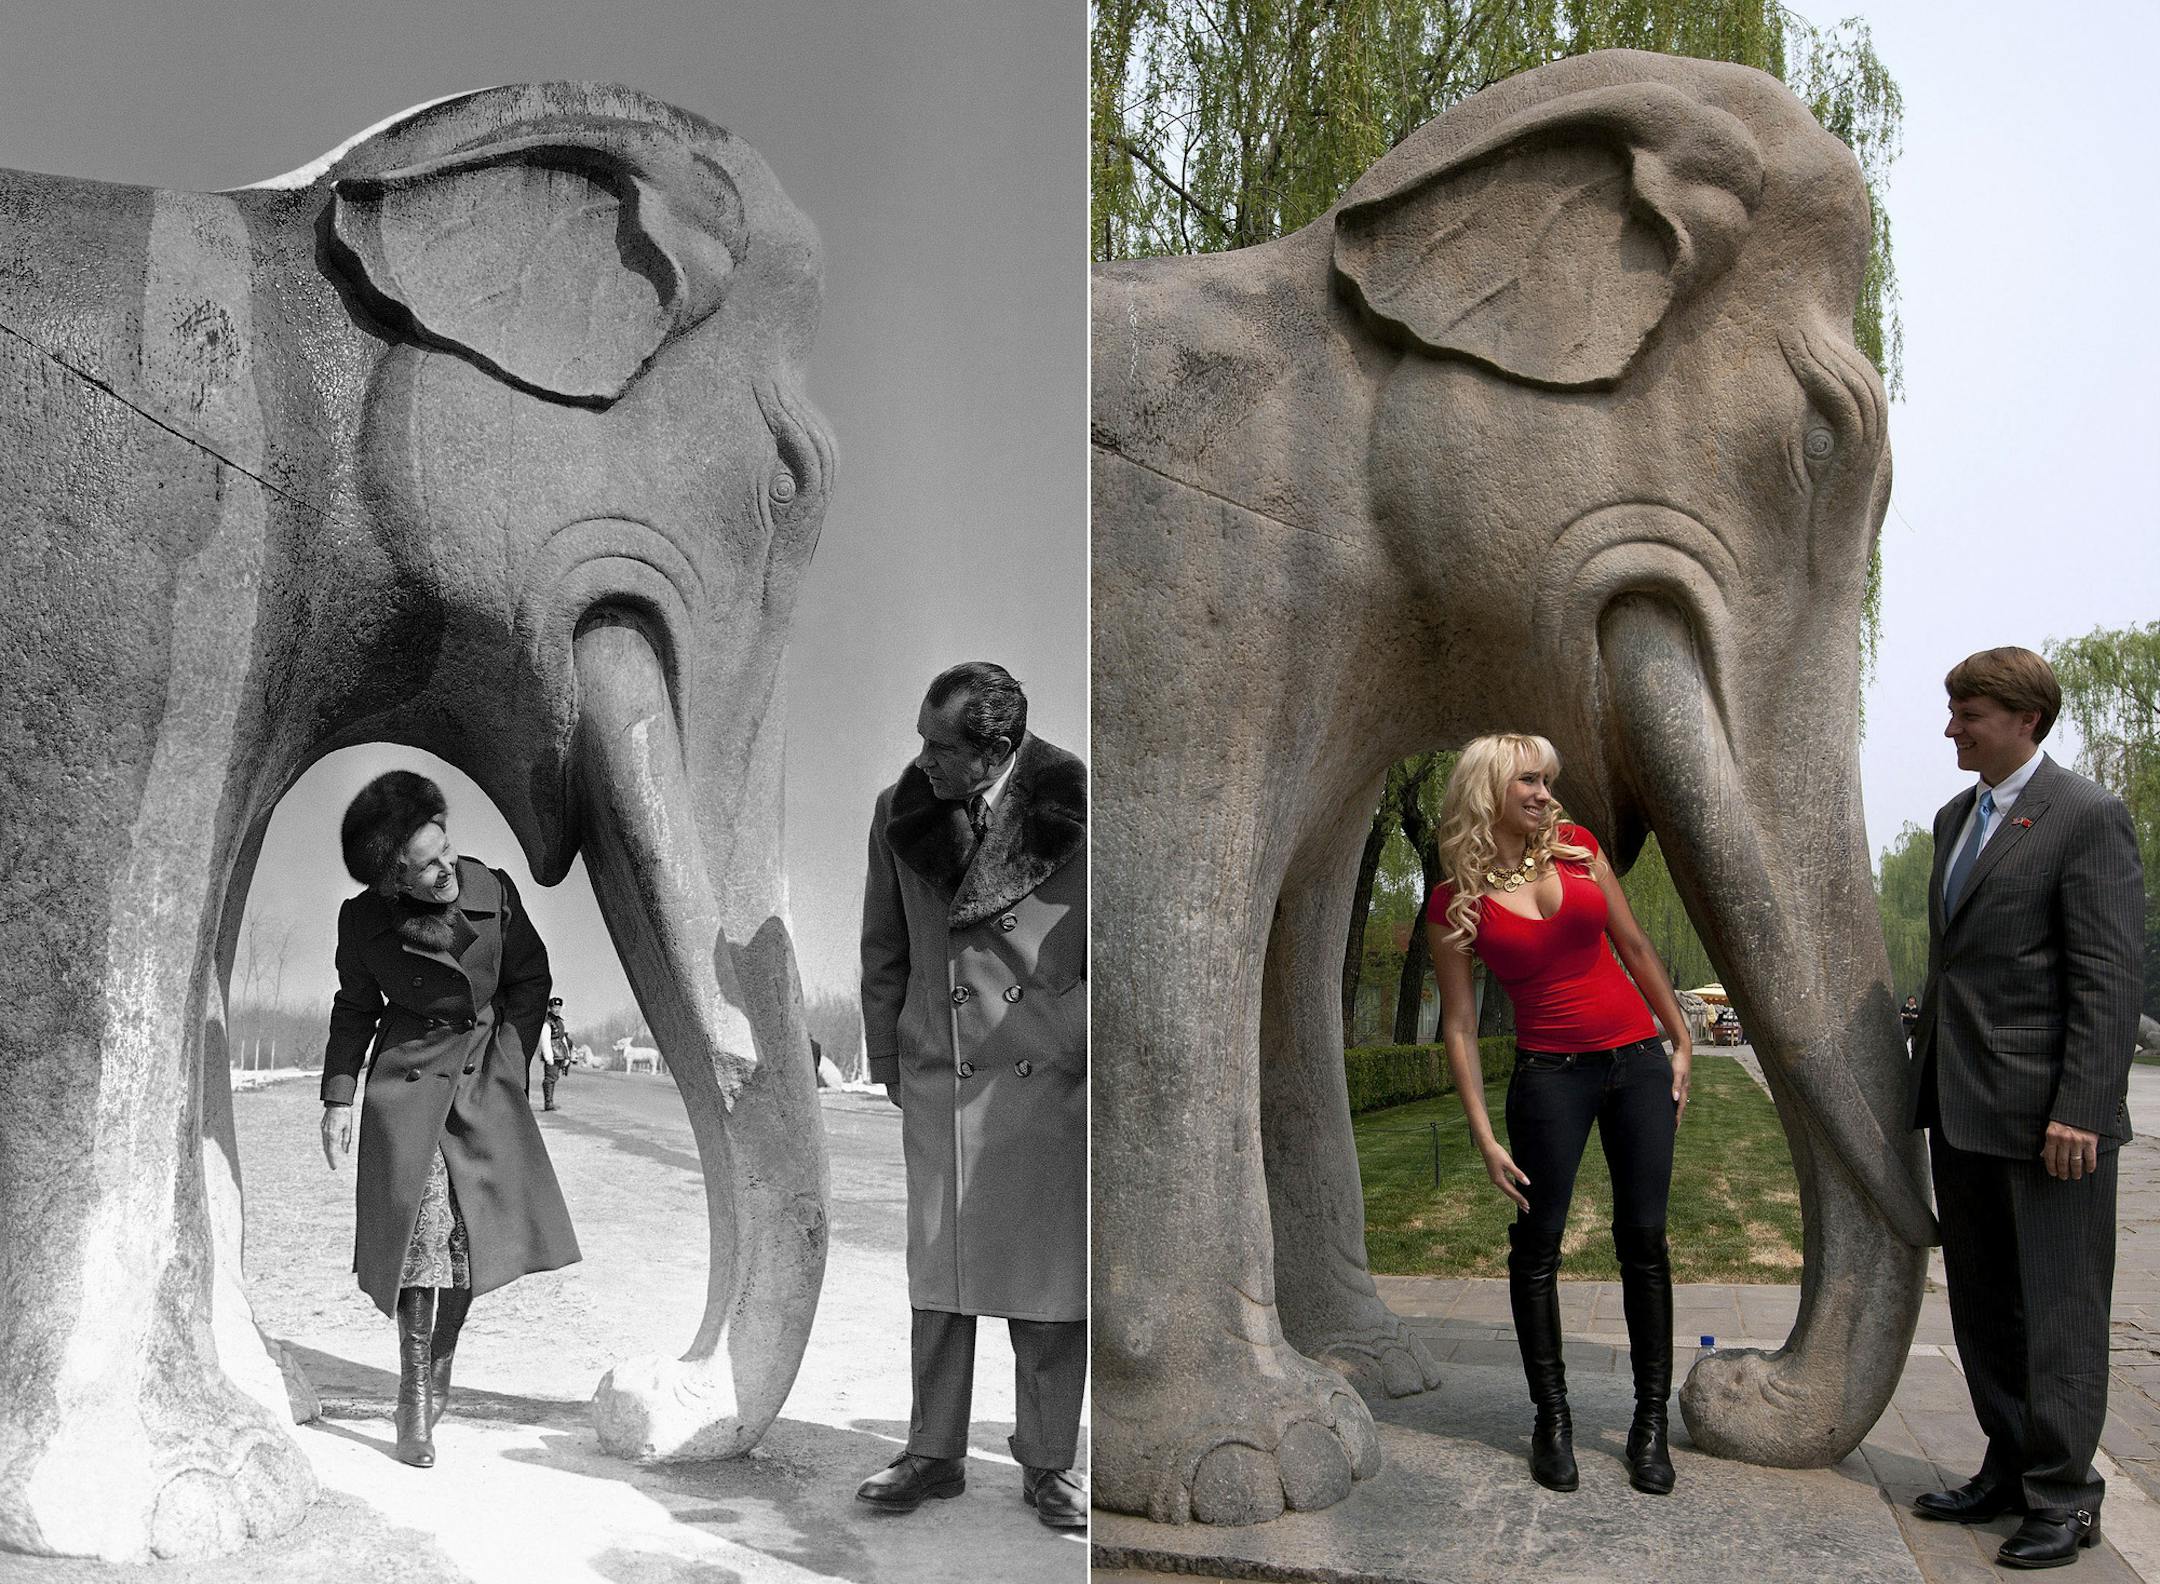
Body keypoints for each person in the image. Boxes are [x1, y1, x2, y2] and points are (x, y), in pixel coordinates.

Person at [1904, 647, 2144, 1570]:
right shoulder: (1954, 817)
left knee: (2059, 1316)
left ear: (2026, 720)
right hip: (1960, 1104)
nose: (1952, 729)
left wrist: (2082, 1106)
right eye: (1954, 710)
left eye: (1969, 714)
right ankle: (2007, 1469)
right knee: (1986, 1309)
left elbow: (2108, 976)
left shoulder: (2087, 816)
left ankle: (2065, 1497)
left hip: (2052, 1123)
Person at [1425, 734, 1694, 1495]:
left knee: (1644, 1241)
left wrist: (1679, 1039)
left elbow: (1633, 945)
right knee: (1536, 1247)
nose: (1546, 794)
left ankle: (1649, 1423)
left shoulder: (1579, 849)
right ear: (1489, 791)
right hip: (1548, 1078)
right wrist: (1482, 1133)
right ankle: (1553, 1419)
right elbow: (1459, 1025)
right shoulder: (1452, 901)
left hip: (1636, 1062)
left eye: (1548, 780)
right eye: (1529, 781)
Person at [856, 662, 1087, 1529]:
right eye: (920, 738)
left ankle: (1050, 1464)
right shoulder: (899, 811)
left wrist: (1076, 1039)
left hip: (1049, 1076)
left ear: (996, 749)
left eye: (939, 745)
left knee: (1050, 1282)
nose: (923, 759)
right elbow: (883, 946)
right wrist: (893, 1057)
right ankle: (933, 1453)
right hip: (941, 1073)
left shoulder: (1077, 808)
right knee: (938, 1271)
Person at [318, 771, 582, 1468]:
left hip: (483, 1071)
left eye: (447, 849)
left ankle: (439, 1371)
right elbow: (355, 1007)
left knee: (470, 1235)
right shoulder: (363, 921)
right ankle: (412, 1396)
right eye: (427, 865)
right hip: (408, 1081)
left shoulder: (494, 889)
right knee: (419, 1229)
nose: (447, 870)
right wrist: (339, 1096)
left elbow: (530, 978)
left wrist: (511, 1062)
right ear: (391, 879)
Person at [542, 997, 574, 1111]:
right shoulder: (547, 1022)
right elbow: (545, 1040)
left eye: (559, 1007)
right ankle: (548, 1103)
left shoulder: (559, 1022)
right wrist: (548, 1056)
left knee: (554, 1077)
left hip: (560, 1053)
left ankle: (550, 1102)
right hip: (552, 1053)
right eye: (554, 1007)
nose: (557, 1009)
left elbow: (562, 1039)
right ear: (550, 1008)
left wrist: (567, 1055)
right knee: (550, 1078)